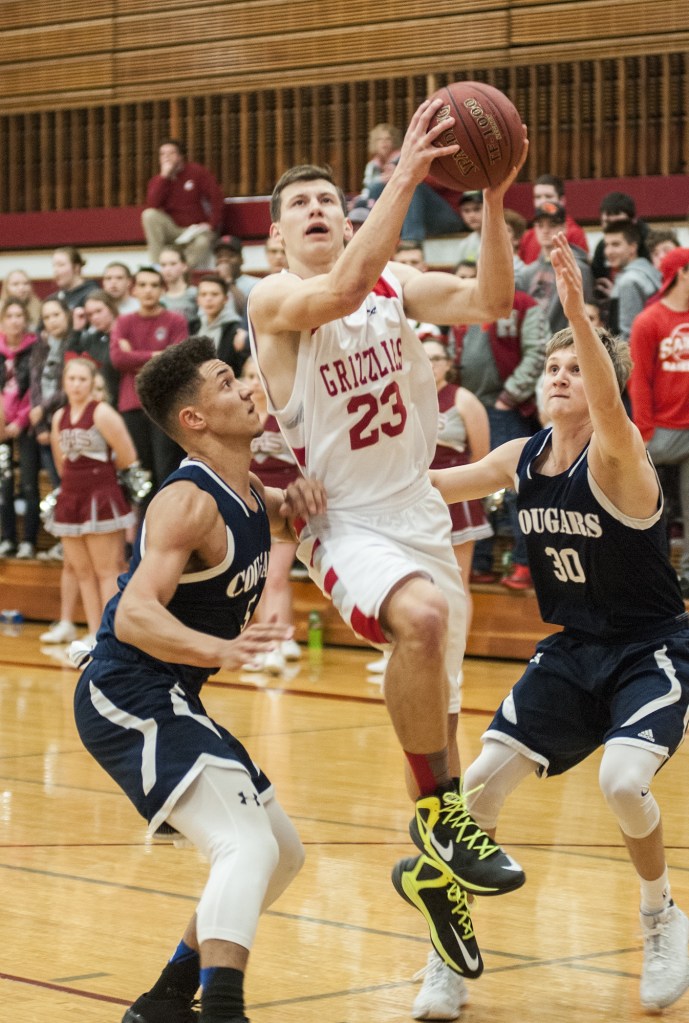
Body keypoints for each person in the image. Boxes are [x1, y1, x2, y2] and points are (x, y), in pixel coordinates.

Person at [248, 97, 528, 989]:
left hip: (418, 511)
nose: (319, 208)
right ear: (276, 241)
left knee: (436, 727)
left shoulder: (394, 282)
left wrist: (487, 195)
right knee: (418, 618)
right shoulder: (275, 299)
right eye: (301, 205)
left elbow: (491, 299)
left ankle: (435, 885)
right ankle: (443, 821)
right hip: (348, 522)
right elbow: (332, 291)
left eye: (330, 197)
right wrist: (405, 172)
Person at [432, 234, 689, 1014]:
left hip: (649, 649)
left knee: (620, 781)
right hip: (573, 651)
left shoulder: (619, 456)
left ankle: (661, 916)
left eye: (574, 367)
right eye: (550, 368)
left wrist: (578, 312)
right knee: (473, 791)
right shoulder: (520, 456)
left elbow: (611, 405)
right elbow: (434, 485)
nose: (558, 377)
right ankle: (446, 945)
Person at [73, 335, 321, 1023]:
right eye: (225, 382)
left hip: (171, 694)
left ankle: (162, 1002)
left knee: (281, 855)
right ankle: (223, 1012)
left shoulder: (247, 488)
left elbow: (280, 521)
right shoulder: (185, 501)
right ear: (195, 420)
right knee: (245, 845)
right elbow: (134, 616)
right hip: (124, 691)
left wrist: (294, 514)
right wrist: (222, 647)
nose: (247, 387)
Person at [451, 288, 546, 590]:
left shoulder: (524, 304)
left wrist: (510, 396)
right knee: (471, 483)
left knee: (516, 486)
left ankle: (525, 563)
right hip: (467, 405)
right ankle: (479, 563)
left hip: (505, 409)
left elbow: (538, 352)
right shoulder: (458, 304)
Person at [46, 358, 136, 642]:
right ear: (64, 382)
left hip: (101, 496)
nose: (76, 385)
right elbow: (60, 462)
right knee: (82, 571)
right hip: (71, 496)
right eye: (71, 379)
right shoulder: (59, 417)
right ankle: (94, 631)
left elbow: (127, 456)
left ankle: (111, 634)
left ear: (92, 382)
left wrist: (100, 477)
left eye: (82, 379)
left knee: (107, 569)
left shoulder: (103, 413)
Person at [629, 247, 689, 596]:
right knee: (652, 512)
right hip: (661, 432)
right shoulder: (648, 321)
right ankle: (654, 578)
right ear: (681, 273)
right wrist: (646, 431)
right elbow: (638, 380)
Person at [424, 339, 492, 637]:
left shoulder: (463, 399)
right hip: (416, 495)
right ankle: (404, 653)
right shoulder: (403, 397)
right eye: (424, 358)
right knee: (414, 579)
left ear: (449, 364)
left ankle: (454, 658)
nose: (431, 365)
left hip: (456, 496)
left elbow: (481, 457)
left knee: (455, 581)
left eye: (437, 358)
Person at [240, 357, 303, 674]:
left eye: (259, 376)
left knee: (275, 576)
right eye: (248, 376)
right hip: (254, 504)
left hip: (287, 506)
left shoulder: (286, 417)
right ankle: (285, 635)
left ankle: (272, 646)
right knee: (265, 578)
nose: (254, 382)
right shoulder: (240, 418)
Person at [110, 267, 189, 495]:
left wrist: (134, 356)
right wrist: (157, 355)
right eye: (142, 285)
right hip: (132, 406)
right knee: (140, 476)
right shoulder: (124, 322)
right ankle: (143, 529)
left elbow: (176, 360)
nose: (148, 290)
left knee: (166, 471)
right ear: (133, 289)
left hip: (163, 406)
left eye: (154, 285)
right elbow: (118, 359)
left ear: (163, 289)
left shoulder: (176, 320)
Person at [142, 139, 224, 268]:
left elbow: (216, 199)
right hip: (175, 230)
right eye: (162, 154)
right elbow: (153, 204)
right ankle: (157, 266)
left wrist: (211, 224)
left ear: (180, 156)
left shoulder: (197, 172)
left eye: (171, 153)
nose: (166, 157)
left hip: (198, 229)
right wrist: (164, 177)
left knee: (202, 242)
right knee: (149, 214)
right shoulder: (158, 180)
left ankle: (183, 271)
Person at [516, 201, 594, 334]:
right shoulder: (527, 272)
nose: (545, 231)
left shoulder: (577, 268)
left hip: (565, 346)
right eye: (540, 225)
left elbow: (585, 312)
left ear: (564, 227)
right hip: (533, 346)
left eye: (552, 225)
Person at [0, 298, 39, 559]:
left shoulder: (35, 348)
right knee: (4, 483)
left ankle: (29, 540)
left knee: (28, 483)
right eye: (9, 315)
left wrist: (20, 421)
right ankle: (7, 538)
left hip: (26, 427)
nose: (15, 320)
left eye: (19, 315)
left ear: (25, 320)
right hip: (1, 426)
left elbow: (35, 389)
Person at [603, 221, 661, 340]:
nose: (608, 252)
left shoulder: (629, 281)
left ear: (632, 247)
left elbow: (629, 336)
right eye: (606, 245)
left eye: (616, 244)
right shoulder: (649, 271)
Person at [517, 174, 588, 264]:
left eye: (548, 196)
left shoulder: (576, 234)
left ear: (561, 200)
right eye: (538, 197)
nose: (543, 201)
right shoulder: (528, 236)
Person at [188, 275, 248, 378]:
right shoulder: (192, 326)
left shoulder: (236, 329)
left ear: (225, 299)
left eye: (214, 294)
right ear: (198, 299)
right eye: (203, 294)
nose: (208, 299)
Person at [73, 289, 121, 406]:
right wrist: (77, 330)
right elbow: (72, 360)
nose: (94, 317)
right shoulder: (91, 338)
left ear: (111, 308)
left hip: (121, 402)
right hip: (98, 403)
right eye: (90, 314)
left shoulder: (125, 334)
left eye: (99, 311)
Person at [47, 247, 99, 319]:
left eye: (61, 265)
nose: (56, 270)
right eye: (54, 265)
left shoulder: (93, 294)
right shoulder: (53, 299)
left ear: (76, 267)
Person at [160, 245, 199, 323]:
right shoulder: (160, 299)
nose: (167, 269)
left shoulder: (196, 293)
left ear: (184, 266)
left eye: (173, 264)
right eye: (163, 265)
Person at [452, 191, 483, 265]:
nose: (471, 215)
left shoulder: (504, 237)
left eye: (477, 209)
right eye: (466, 210)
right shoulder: (465, 244)